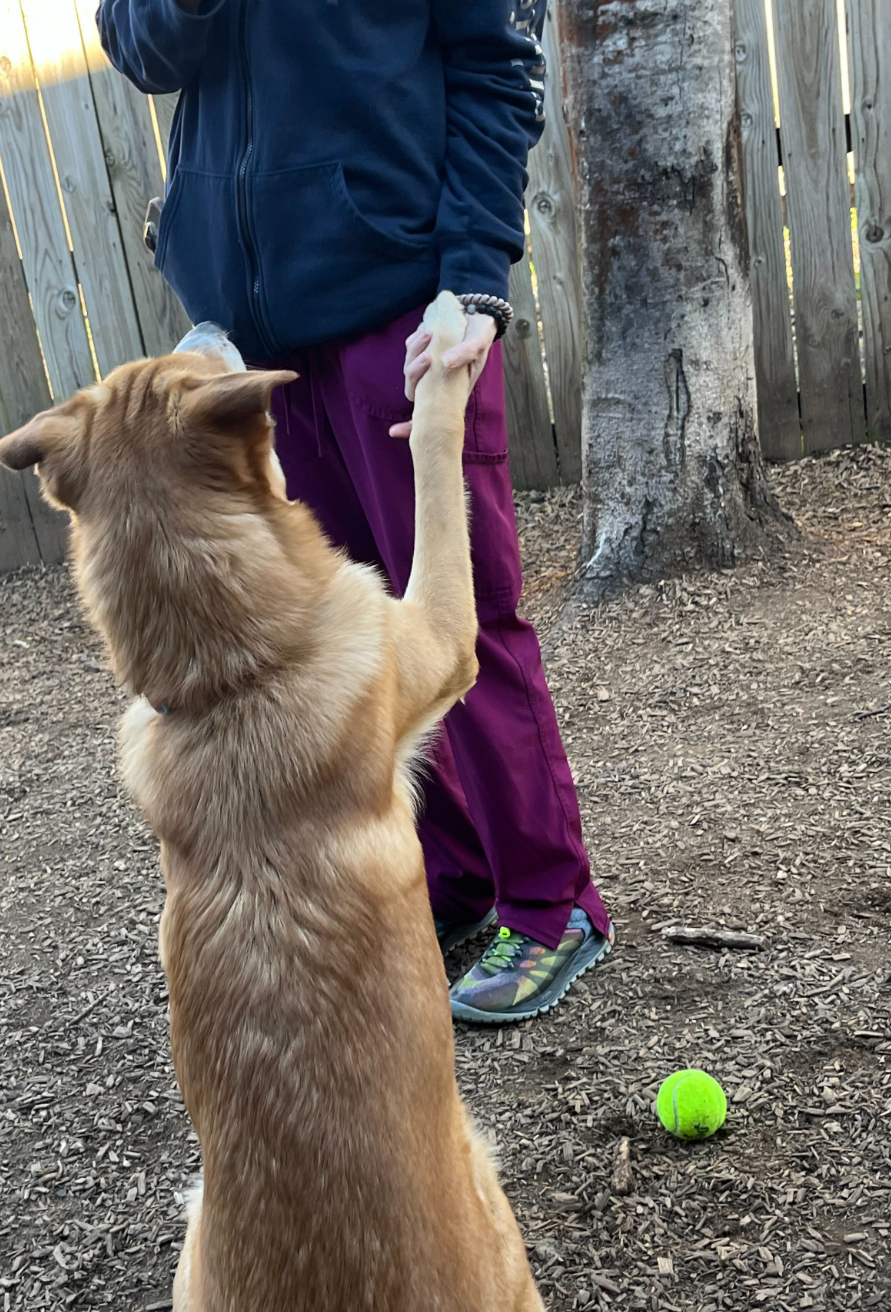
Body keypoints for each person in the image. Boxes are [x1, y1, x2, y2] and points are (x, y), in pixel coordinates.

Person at [96, 0, 613, 1022]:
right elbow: (138, 47)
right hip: (250, 341)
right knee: (349, 624)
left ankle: (553, 903)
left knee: (469, 616)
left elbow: (495, 69)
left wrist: (470, 281)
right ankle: (454, 873)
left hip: (401, 310)